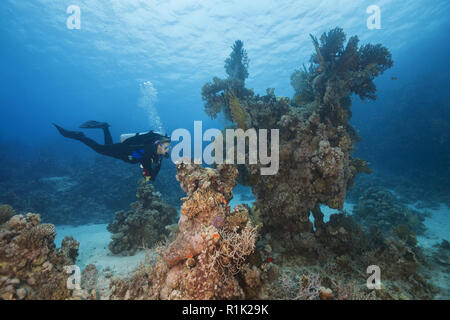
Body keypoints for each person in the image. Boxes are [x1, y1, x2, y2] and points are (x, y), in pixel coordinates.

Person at [53, 121, 170, 182]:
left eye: (167, 147)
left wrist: (153, 168)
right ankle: (79, 136)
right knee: (99, 149)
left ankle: (105, 127)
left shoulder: (156, 153)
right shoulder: (148, 152)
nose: (165, 150)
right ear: (157, 144)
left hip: (125, 153)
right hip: (123, 151)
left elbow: (150, 166)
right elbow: (147, 171)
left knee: (107, 146)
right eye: (163, 147)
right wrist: (149, 175)